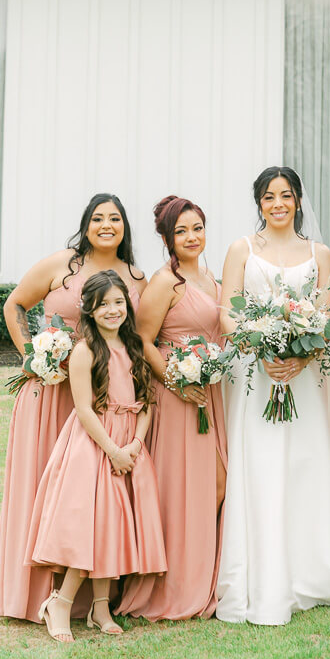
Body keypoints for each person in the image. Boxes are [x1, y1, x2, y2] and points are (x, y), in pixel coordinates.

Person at [0, 193, 146, 622]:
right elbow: (15, 304)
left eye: (115, 218)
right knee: (41, 488)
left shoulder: (134, 277)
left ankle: (89, 601)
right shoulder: (62, 264)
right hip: (51, 393)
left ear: (125, 227)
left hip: (103, 403)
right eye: (98, 218)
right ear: (86, 224)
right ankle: (32, 592)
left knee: (86, 497)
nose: (107, 225)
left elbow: (136, 335)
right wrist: (31, 357)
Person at [215, 167, 330, 625]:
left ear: (297, 201)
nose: (278, 203)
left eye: (286, 195)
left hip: (306, 376)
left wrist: (300, 356)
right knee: (263, 464)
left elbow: (328, 315)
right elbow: (227, 313)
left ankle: (311, 570)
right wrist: (262, 345)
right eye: (269, 196)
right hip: (256, 375)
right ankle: (261, 573)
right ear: (259, 202)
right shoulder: (241, 249)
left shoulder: (320, 253)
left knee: (307, 464)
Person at [26, 271, 166, 642]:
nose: (112, 309)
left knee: (114, 526)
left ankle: (100, 606)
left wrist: (135, 444)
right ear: (88, 308)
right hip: (95, 445)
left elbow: (147, 401)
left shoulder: (133, 345)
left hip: (128, 444)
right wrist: (113, 450)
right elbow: (84, 409)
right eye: (103, 304)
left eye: (118, 302)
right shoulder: (85, 351)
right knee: (90, 527)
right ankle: (60, 602)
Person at [119, 195, 227, 620]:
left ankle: (205, 575)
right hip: (178, 392)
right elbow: (144, 341)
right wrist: (177, 382)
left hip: (210, 391)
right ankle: (176, 584)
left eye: (196, 227)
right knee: (187, 488)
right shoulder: (167, 282)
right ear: (166, 238)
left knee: (216, 485)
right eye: (181, 231)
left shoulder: (209, 276)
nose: (191, 237)